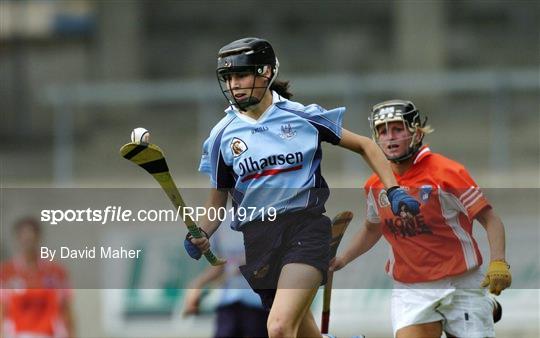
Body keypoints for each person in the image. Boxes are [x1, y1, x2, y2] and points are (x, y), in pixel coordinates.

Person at [184, 37, 420, 338]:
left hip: (304, 231)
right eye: (228, 78)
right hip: (258, 243)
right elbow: (217, 201)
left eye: (241, 75)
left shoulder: (302, 116)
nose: (234, 85)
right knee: (297, 332)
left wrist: (393, 189)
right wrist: (202, 233)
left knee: (279, 328)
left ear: (266, 72)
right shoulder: (221, 135)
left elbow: (365, 145)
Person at [330, 99, 511, 338]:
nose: (390, 137)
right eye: (382, 131)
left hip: (460, 283)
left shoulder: (447, 173)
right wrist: (342, 259)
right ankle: (486, 306)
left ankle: (482, 304)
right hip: (411, 289)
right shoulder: (375, 185)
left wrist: (498, 262)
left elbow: (490, 220)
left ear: (415, 132)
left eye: (397, 129)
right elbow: (373, 229)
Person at [182, 221, 269, 337]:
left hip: (257, 304)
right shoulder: (220, 221)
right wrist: (196, 285)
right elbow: (220, 265)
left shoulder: (265, 213)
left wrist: (248, 262)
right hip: (227, 304)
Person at [0, 217, 75, 338]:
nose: (28, 240)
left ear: (38, 237)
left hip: (49, 334)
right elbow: (2, 309)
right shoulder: (6, 272)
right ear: (18, 238)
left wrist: (72, 334)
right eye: (24, 236)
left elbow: (66, 309)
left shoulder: (56, 272)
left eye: (31, 235)